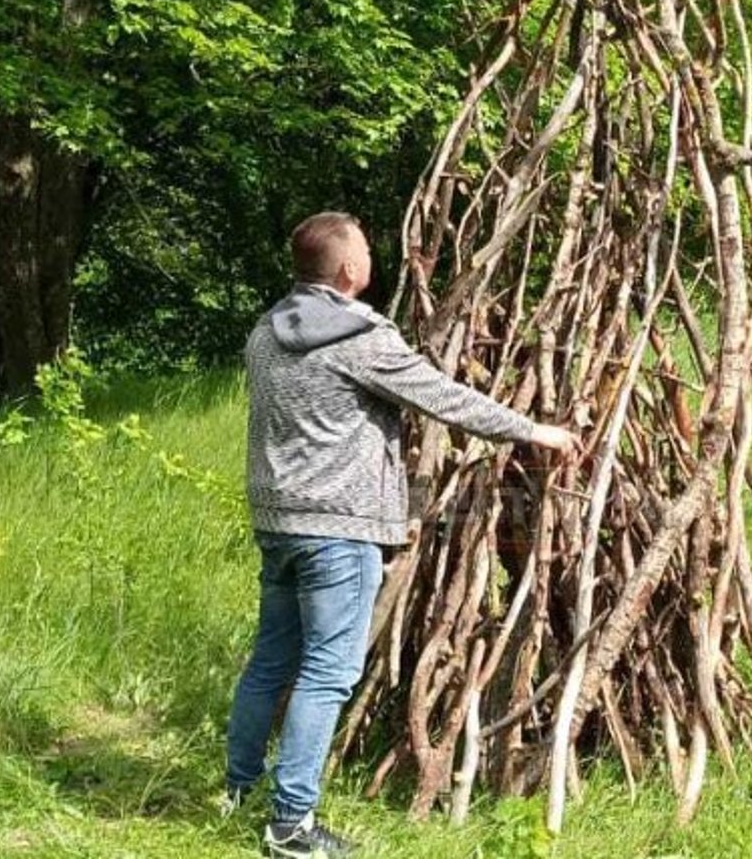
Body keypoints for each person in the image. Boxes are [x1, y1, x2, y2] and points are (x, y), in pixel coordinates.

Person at [225, 212, 581, 858]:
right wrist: (533, 431)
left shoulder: (265, 332)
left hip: (276, 521)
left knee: (272, 658)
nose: (369, 259)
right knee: (328, 672)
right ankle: (290, 826)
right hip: (338, 528)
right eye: (363, 250)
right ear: (349, 272)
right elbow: (439, 396)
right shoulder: (359, 338)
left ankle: (236, 789)